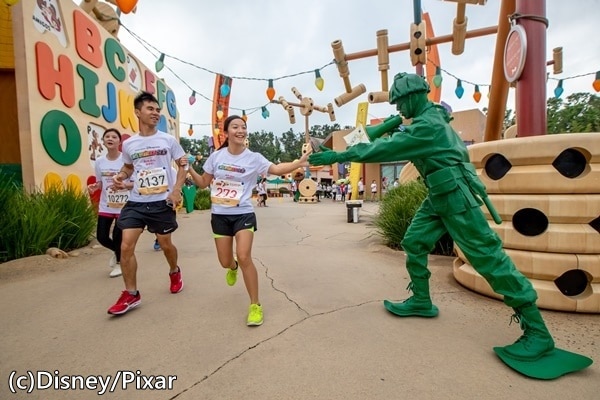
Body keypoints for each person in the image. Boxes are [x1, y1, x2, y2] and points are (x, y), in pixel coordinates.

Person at [308, 72, 555, 361]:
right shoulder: (428, 118)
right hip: (439, 194)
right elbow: (383, 136)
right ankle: (422, 301)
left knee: (488, 257)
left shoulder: (428, 126)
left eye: (400, 103)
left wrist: (338, 157)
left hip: (454, 196)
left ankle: (538, 332)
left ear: (414, 97)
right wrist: (389, 124)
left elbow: (385, 148)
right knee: (414, 242)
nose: (398, 109)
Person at [186, 115, 310, 326]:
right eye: (235, 127)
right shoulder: (216, 157)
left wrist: (298, 162)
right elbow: (203, 183)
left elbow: (277, 169)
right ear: (226, 132)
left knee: (244, 256)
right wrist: (188, 168)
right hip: (220, 215)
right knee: (226, 261)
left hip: (243, 213)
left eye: (243, 127)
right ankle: (231, 267)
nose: (240, 130)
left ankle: (255, 305)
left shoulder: (254, 158)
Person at [108, 91, 187, 316]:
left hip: (162, 202)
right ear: (137, 112)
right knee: (125, 246)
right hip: (136, 202)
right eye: (150, 109)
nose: (156, 113)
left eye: (157, 110)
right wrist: (121, 176)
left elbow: (183, 164)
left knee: (165, 245)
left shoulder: (168, 140)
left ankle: (174, 270)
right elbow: (129, 167)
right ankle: (131, 294)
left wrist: (176, 190)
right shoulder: (130, 144)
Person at [88, 128, 132, 278]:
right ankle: (118, 252)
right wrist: (94, 187)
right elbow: (100, 183)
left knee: (118, 235)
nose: (110, 139)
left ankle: (120, 263)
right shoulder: (99, 161)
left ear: (119, 142)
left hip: (123, 205)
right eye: (107, 136)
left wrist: (125, 185)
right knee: (101, 236)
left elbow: (132, 181)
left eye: (114, 137)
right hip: (106, 204)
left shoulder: (125, 161)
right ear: (103, 141)